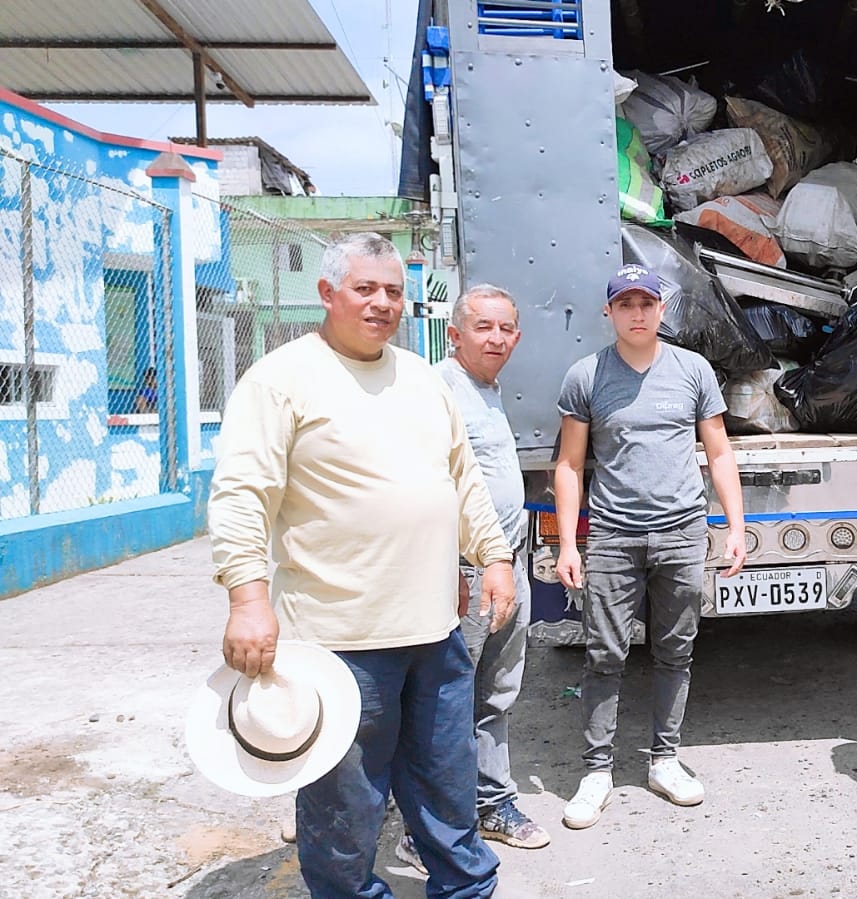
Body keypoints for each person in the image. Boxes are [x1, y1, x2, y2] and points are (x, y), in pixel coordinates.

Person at [208, 232, 515, 898]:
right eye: (365, 288)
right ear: (327, 293)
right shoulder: (280, 379)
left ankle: (465, 890)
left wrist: (493, 555)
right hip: (340, 642)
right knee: (345, 808)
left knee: (447, 784)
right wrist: (247, 599)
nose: (382, 303)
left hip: (435, 632)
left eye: (393, 291)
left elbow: (461, 478)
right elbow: (242, 494)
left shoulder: (421, 378)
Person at [553, 263, 747, 830]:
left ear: (662, 310)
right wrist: (568, 544)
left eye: (646, 303)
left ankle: (665, 760)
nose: (637, 314)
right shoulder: (586, 376)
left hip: (682, 532)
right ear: (609, 312)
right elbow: (569, 465)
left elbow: (719, 453)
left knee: (675, 652)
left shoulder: (693, 370)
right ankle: (597, 771)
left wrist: (735, 527)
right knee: (603, 654)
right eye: (625, 304)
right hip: (613, 535)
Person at [394, 284, 548, 872]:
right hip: (464, 572)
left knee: (495, 694)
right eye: (483, 327)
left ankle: (489, 803)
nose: (496, 338)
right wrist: (449, 565)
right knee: (445, 703)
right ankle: (426, 828)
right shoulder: (439, 389)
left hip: (506, 564)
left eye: (506, 328)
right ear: (455, 334)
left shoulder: (487, 390)